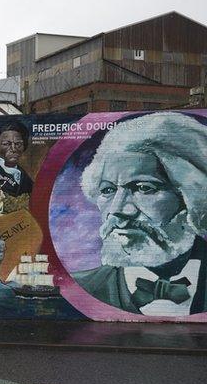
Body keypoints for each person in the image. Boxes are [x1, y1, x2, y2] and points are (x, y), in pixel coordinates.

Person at [72, 112, 207, 316]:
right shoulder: (81, 288)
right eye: (107, 190)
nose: (117, 209)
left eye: (143, 188)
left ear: (191, 197)